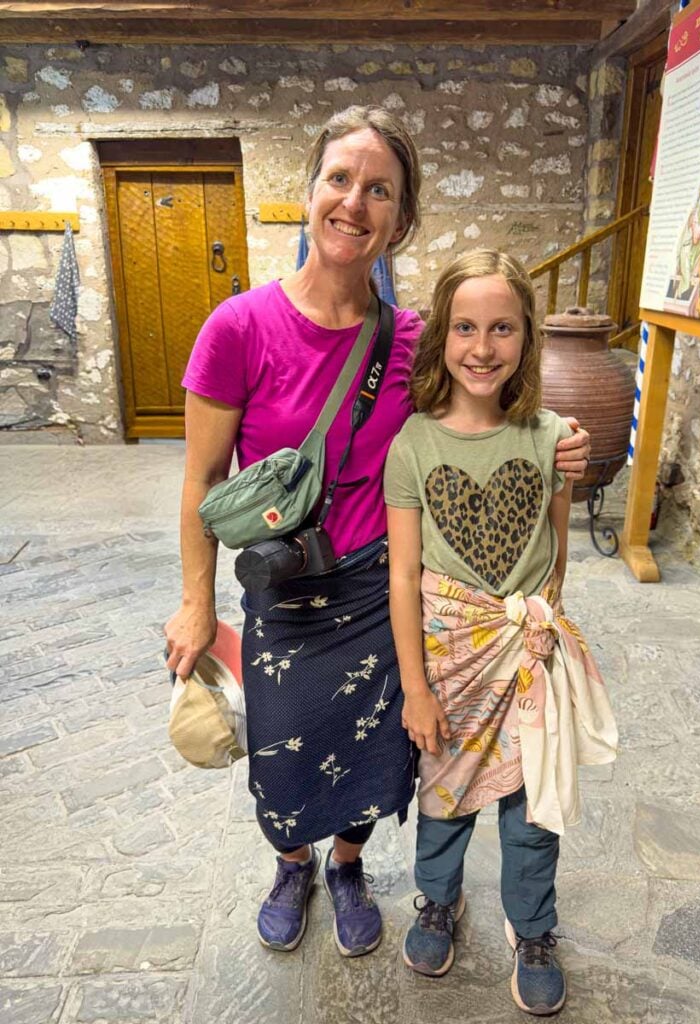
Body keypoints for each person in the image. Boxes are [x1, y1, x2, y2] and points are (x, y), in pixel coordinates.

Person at [164, 107, 591, 961]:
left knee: (375, 756)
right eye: (339, 180)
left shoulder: (411, 342)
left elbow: (486, 400)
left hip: (380, 589)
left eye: (379, 190)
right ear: (311, 193)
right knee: (283, 759)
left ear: (401, 218)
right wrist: (194, 603)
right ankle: (293, 863)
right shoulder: (237, 328)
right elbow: (201, 482)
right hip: (285, 589)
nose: (354, 202)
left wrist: (561, 436)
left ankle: (350, 864)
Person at [384, 249, 617, 1014]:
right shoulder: (413, 446)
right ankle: (437, 901)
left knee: (532, 802)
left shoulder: (552, 439)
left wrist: (542, 639)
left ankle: (534, 927)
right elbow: (402, 577)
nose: (482, 348)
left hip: (525, 660)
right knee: (445, 795)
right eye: (465, 327)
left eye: (503, 328)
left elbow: (556, 557)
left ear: (526, 340)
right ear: (441, 337)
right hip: (448, 666)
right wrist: (415, 688)